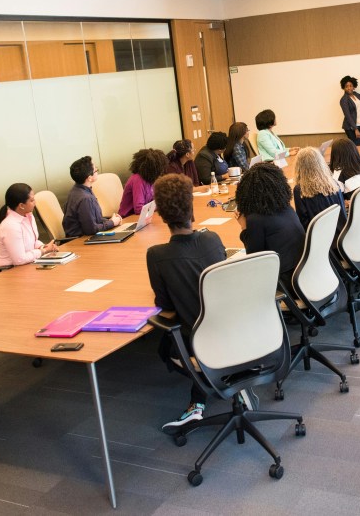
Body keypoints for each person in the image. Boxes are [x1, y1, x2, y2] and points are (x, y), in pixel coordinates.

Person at [145, 174, 226, 433]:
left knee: (163, 347)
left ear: (161, 213)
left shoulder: (156, 255)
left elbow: (166, 308)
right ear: (191, 207)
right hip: (234, 330)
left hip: (201, 342)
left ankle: (203, 387)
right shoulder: (212, 239)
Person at [235, 162, 305, 290]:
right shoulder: (287, 208)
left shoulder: (255, 220)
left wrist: (244, 228)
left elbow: (254, 261)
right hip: (303, 273)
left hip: (284, 283)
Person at [0, 182, 58, 266]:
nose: (35, 203)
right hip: (10, 270)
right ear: (21, 205)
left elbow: (31, 242)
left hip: (26, 266)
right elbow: (19, 260)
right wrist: (43, 251)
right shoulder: (11, 226)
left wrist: (43, 246)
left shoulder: (28, 216)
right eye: (32, 200)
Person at [63, 156, 122, 236]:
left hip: (85, 236)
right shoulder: (85, 198)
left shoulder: (77, 190)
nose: (97, 171)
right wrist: (112, 223)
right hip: (81, 240)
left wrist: (109, 221)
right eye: (96, 170)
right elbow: (91, 229)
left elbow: (92, 219)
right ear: (89, 178)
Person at [293, 147, 347, 234]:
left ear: (299, 167)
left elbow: (303, 223)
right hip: (342, 234)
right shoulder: (333, 183)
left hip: (319, 237)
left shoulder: (300, 190)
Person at [119, 148, 166, 217]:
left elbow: (153, 201)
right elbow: (139, 209)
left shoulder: (150, 179)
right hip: (129, 217)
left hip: (143, 216)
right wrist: (160, 205)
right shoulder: (137, 179)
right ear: (153, 168)